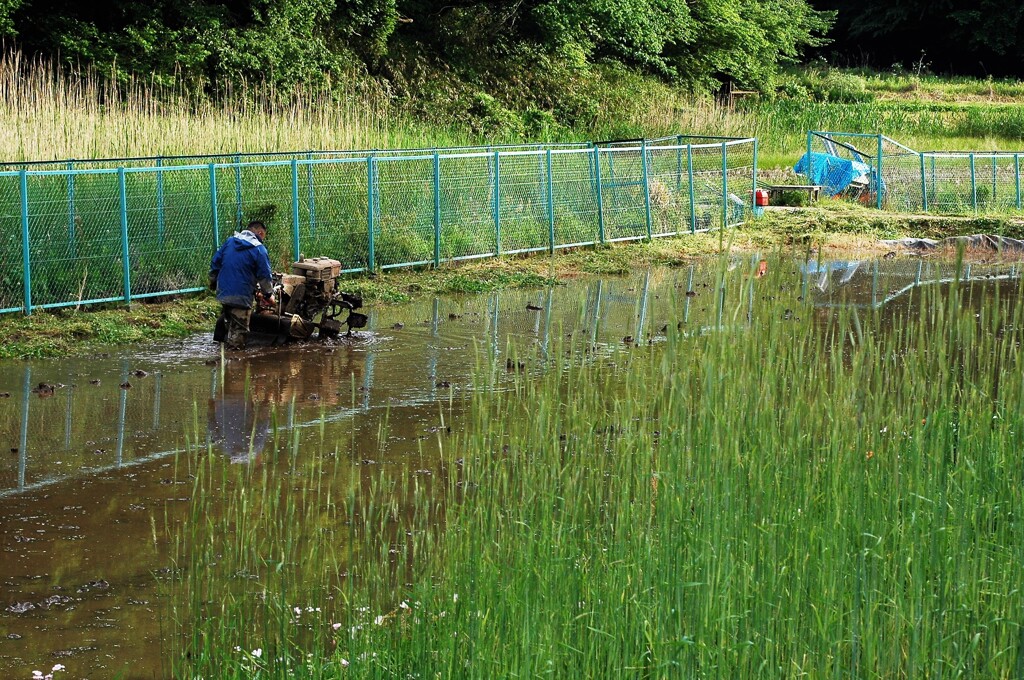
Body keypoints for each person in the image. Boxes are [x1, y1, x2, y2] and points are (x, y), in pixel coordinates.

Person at [208, 220, 276, 349]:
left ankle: (224, 357)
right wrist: (268, 295)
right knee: (239, 331)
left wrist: (213, 282)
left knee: (229, 324)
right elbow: (264, 276)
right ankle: (235, 363)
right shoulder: (259, 249)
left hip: (223, 292)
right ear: (260, 233)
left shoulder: (230, 241)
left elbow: (215, 263)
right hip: (241, 295)